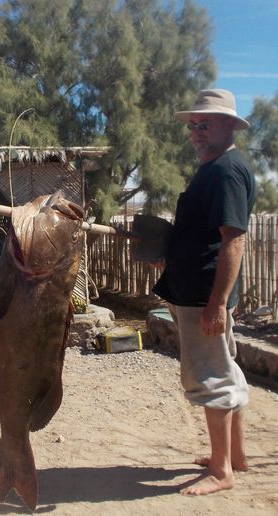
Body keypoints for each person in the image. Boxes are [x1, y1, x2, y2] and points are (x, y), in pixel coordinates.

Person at [152, 89, 256, 496]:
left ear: (229, 124)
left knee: (213, 378)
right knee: (227, 370)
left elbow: (233, 240)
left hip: (202, 297)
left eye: (205, 123)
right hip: (199, 291)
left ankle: (222, 470)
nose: (196, 130)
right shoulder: (215, 167)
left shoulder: (227, 170)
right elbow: (207, 237)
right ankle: (235, 455)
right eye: (193, 124)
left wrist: (215, 304)